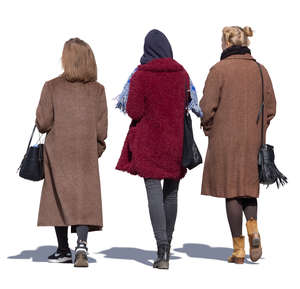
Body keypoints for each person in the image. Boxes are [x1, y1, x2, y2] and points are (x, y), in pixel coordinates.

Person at [116, 29, 202, 269]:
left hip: (149, 143)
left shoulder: (141, 75)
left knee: (154, 190)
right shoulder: (181, 73)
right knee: (171, 193)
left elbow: (134, 111)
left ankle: (161, 249)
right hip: (176, 142)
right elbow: (187, 103)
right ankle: (168, 246)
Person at [199, 26, 276, 264]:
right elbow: (271, 107)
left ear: (226, 44)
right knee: (248, 188)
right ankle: (254, 231)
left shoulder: (219, 70)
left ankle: (238, 250)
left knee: (231, 192)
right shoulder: (261, 71)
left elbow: (206, 108)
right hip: (253, 140)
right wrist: (259, 129)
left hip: (225, 140)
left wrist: (208, 128)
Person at [35, 38, 108, 267]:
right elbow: (101, 129)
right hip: (85, 152)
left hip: (58, 152)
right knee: (84, 197)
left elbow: (43, 123)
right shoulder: (98, 90)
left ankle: (63, 248)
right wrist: (95, 149)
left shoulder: (51, 86)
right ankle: (82, 245)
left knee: (59, 196)